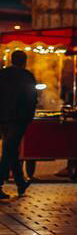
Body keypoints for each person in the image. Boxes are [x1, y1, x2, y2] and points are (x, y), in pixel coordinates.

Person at [0, 50, 37, 199]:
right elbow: (31, 99)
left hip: (3, 118)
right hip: (18, 119)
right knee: (9, 150)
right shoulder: (27, 76)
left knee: (11, 149)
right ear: (24, 61)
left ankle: (20, 182)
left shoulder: (2, 74)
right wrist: (29, 117)